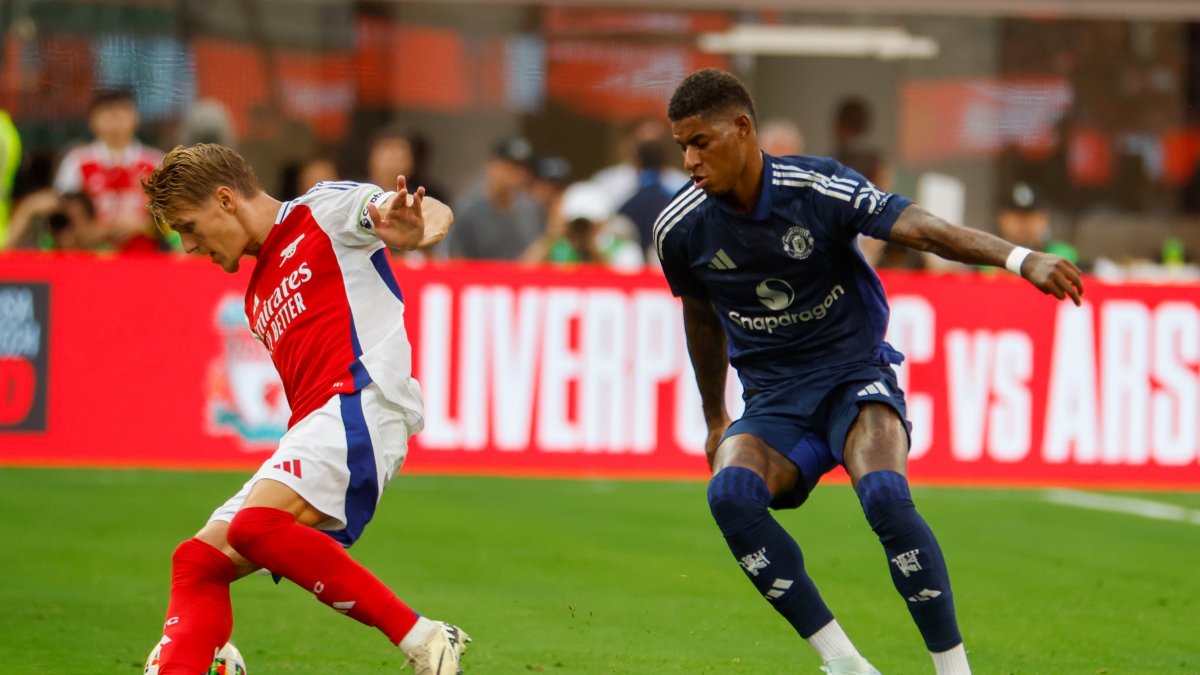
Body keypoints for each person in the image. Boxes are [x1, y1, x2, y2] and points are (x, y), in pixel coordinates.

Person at [657, 69, 1083, 674]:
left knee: (884, 495)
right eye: (682, 148)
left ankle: (953, 671)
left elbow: (920, 228)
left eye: (700, 142)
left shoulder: (817, 187)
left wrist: (1019, 258)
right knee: (729, 495)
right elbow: (701, 319)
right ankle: (845, 664)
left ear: (742, 129)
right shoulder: (681, 229)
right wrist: (715, 417)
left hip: (852, 375)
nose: (690, 161)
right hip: (774, 401)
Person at [140, 143, 469, 674]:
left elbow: (399, 211)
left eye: (190, 226)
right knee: (197, 561)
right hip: (312, 428)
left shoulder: (322, 209)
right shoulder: (256, 296)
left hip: (361, 400)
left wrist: (417, 224)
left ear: (226, 200)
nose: (188, 246)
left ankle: (425, 639)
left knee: (254, 526)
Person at [53, 89, 168, 252]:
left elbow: (173, 217)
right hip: (91, 258)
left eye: (122, 113)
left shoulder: (156, 163)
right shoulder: (77, 163)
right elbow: (62, 217)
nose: (115, 120)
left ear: (136, 118)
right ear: (92, 120)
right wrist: (96, 229)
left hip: (147, 258)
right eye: (108, 113)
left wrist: (144, 225)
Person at [444, 136, 543, 261]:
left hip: (522, 279)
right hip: (479, 279)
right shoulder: (468, 210)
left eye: (522, 167)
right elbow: (457, 260)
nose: (517, 173)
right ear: (492, 165)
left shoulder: (531, 209)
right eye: (510, 166)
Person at [995, 181, 1079, 265]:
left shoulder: (1062, 255)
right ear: (1001, 219)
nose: (1024, 224)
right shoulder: (989, 259)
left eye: (1031, 216)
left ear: (1045, 219)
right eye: (1017, 217)